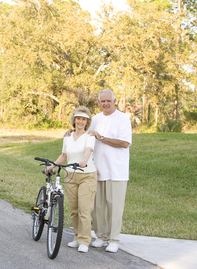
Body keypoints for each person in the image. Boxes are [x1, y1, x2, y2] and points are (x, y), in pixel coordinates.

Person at [45, 106, 97, 253]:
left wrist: (84, 161)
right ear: (74, 120)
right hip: (70, 174)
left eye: (84, 119)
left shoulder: (90, 136)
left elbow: (88, 151)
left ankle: (85, 241)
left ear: (87, 122)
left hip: (87, 175)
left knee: (84, 209)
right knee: (74, 209)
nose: (80, 122)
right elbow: (64, 156)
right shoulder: (67, 136)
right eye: (78, 118)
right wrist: (52, 166)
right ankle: (77, 237)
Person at [87, 89, 132, 253]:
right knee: (97, 207)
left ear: (115, 101)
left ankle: (113, 240)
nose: (105, 104)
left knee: (114, 207)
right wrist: (71, 133)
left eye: (108, 101)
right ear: (99, 103)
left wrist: (102, 138)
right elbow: (87, 136)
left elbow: (125, 143)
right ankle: (101, 236)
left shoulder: (123, 119)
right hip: (97, 170)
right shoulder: (96, 119)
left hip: (117, 171)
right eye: (102, 101)